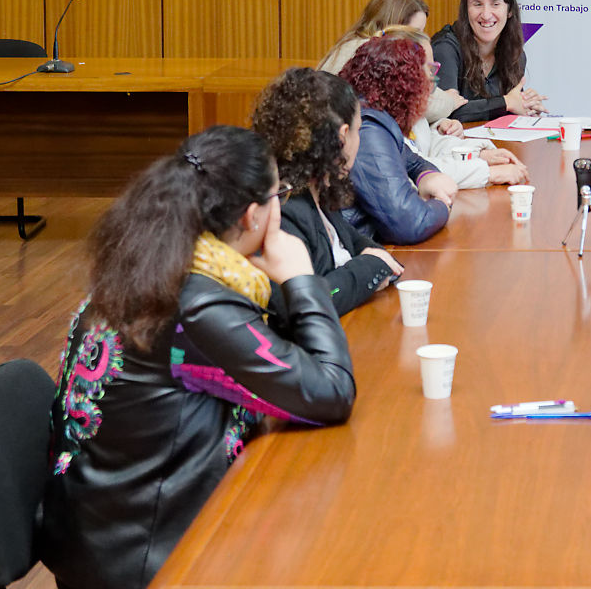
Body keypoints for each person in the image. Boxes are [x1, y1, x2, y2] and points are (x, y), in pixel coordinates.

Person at [41, 126, 357, 589]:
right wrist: (300, 279)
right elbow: (330, 392)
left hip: (101, 532)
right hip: (151, 558)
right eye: (279, 195)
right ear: (252, 215)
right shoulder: (196, 304)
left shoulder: (153, 260)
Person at [250, 67, 404, 316]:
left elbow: (359, 244)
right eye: (358, 130)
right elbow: (309, 300)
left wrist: (372, 263)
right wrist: (370, 269)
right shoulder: (283, 208)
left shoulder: (316, 189)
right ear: (343, 137)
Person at [340, 34, 459, 244]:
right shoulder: (368, 128)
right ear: (405, 84)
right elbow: (410, 223)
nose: (431, 84)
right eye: (427, 74)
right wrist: (443, 204)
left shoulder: (374, 115)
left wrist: (427, 176)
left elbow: (412, 160)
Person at [378, 26, 530, 187]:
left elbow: (430, 146)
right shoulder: (381, 122)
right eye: (428, 68)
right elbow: (420, 169)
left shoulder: (406, 109)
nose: (433, 76)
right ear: (403, 73)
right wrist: (489, 173)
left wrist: (479, 154)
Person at [316, 0, 466, 123]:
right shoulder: (373, 55)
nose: (419, 41)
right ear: (394, 25)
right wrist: (450, 102)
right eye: (414, 32)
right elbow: (420, 103)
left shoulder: (354, 43)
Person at [431, 0, 547, 122]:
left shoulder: (514, 54)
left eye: (495, 4)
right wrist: (506, 103)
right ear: (466, 11)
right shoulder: (445, 49)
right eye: (477, 4)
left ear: (509, 11)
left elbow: (512, 105)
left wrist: (526, 105)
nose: (486, 15)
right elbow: (446, 111)